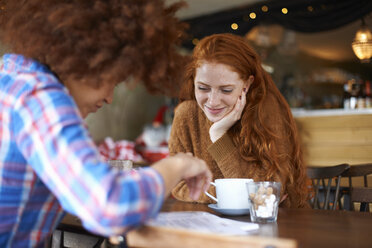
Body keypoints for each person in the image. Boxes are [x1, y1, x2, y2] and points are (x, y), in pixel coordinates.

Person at [0, 0, 212, 247]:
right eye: (113, 79)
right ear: (85, 55)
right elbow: (110, 207)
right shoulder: (39, 96)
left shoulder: (11, 73)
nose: (110, 97)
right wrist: (177, 165)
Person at [169, 33, 309, 208]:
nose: (212, 101)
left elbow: (267, 194)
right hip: (206, 225)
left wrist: (219, 135)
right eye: (203, 88)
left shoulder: (267, 111)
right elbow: (177, 183)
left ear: (247, 84)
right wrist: (236, 195)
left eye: (226, 90)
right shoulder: (186, 115)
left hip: (268, 226)